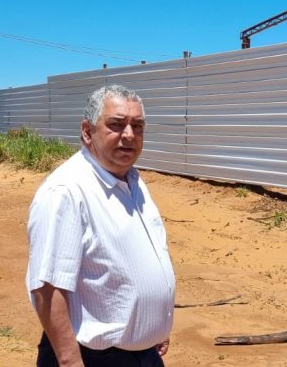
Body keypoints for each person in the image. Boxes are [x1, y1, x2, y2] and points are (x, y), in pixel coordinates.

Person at [26, 84, 175, 367]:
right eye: (116, 125)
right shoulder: (66, 191)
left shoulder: (133, 180)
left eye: (138, 126)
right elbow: (46, 287)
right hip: (94, 358)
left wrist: (154, 327)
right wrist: (70, 362)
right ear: (87, 131)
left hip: (145, 354)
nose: (129, 135)